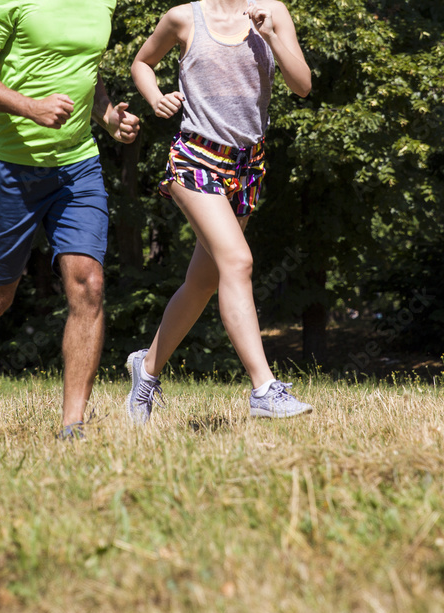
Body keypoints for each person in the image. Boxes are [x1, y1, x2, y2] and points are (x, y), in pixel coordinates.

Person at [0, 0, 140, 439]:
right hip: (8, 167)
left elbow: (86, 70)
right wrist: (30, 107)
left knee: (89, 284)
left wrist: (108, 116)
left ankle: (72, 425)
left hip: (77, 166)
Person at [125, 0, 312, 423]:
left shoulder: (273, 12)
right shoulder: (183, 18)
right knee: (238, 260)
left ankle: (147, 368)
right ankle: (264, 388)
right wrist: (154, 97)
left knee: (203, 282)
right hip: (195, 158)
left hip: (247, 165)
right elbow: (142, 62)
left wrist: (270, 36)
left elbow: (302, 85)